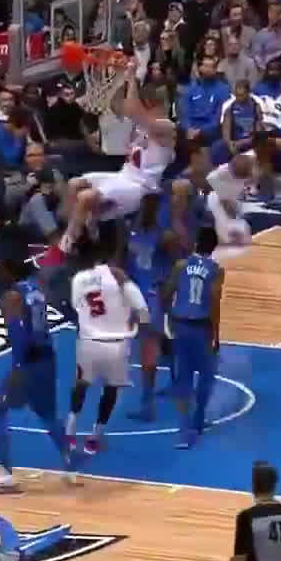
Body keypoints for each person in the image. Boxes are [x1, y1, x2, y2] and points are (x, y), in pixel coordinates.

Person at [60, 61, 177, 256]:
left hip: (141, 187)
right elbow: (118, 103)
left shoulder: (167, 128)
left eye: (146, 105)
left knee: (85, 197)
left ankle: (65, 247)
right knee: (73, 184)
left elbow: (132, 110)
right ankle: (80, 230)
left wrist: (131, 76)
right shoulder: (141, 125)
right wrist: (120, 77)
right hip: (123, 176)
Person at [0, 257, 71, 494]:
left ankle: (5, 475)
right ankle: (70, 463)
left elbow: (18, 335)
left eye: (1, 269)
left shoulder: (12, 297)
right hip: (48, 359)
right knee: (47, 413)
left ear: (9, 270)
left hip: (29, 362)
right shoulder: (35, 288)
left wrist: (17, 368)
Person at [67, 244, 151, 457]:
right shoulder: (120, 278)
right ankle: (94, 438)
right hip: (116, 344)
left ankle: (70, 432)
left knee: (81, 385)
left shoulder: (79, 279)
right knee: (111, 391)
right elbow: (142, 308)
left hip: (90, 341)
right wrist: (137, 322)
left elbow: (76, 306)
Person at [161, 226, 223, 449]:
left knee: (183, 379)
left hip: (180, 326)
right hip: (201, 327)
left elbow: (166, 294)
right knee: (207, 375)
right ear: (214, 247)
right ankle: (198, 421)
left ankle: (183, 431)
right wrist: (216, 334)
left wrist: (168, 319)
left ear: (196, 244)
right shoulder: (216, 270)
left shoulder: (180, 265)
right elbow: (214, 303)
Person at [125, 192, 180, 422]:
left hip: (151, 295)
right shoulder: (131, 229)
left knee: (148, 349)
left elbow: (178, 263)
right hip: (138, 294)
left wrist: (167, 291)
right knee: (158, 342)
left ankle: (148, 405)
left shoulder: (164, 235)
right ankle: (178, 382)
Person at [205, 152, 257, 248]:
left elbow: (250, 181)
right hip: (219, 202)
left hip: (235, 201)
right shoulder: (217, 177)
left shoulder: (248, 165)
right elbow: (225, 203)